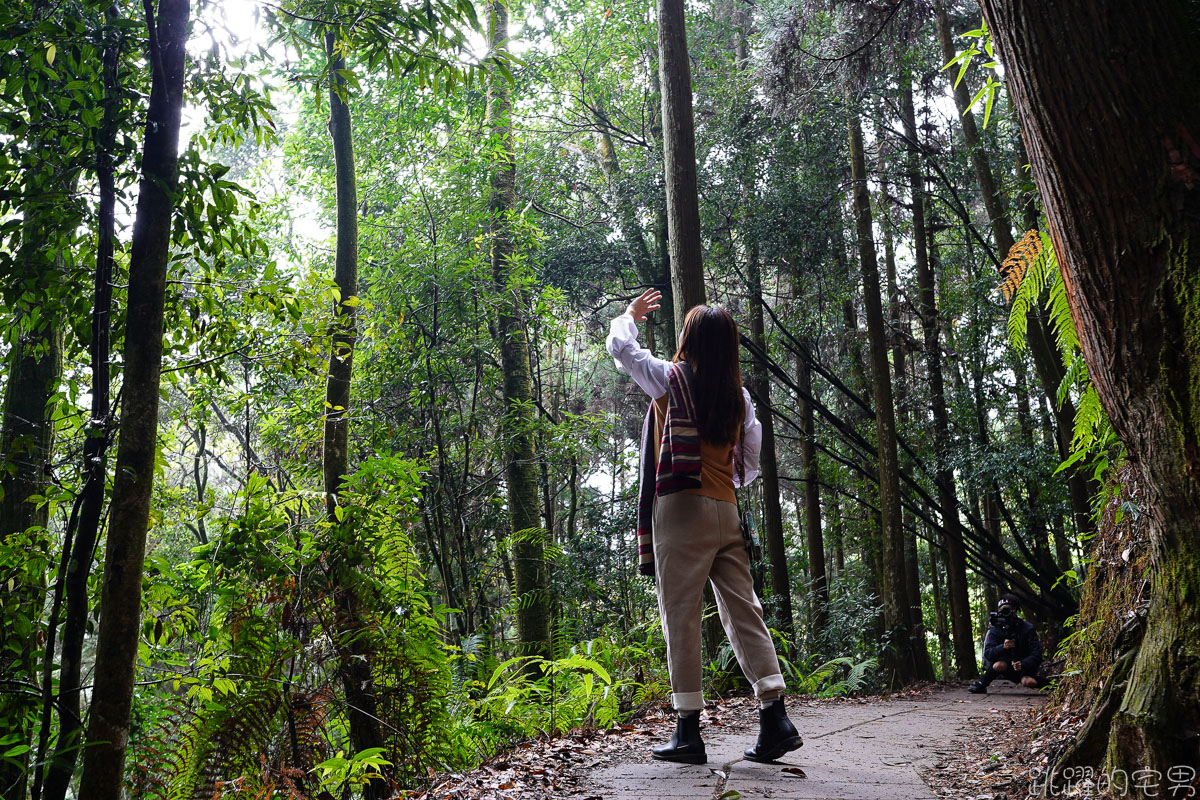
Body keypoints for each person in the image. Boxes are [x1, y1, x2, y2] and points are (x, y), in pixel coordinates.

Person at [605, 288, 803, 765]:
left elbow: (621, 349)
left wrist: (629, 316)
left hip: (681, 508)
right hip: (727, 509)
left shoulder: (671, 380)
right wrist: (721, 478)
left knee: (681, 615)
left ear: (689, 340)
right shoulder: (739, 398)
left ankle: (688, 731)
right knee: (745, 612)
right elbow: (750, 462)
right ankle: (775, 718)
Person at [967, 594, 1043, 694]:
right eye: (1003, 610)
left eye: (1009, 609)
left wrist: (1023, 663)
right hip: (1006, 668)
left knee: (1028, 682)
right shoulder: (996, 629)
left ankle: (1054, 686)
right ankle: (982, 684)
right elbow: (988, 653)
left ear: (1015, 610)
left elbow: (1037, 654)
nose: (1006, 613)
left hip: (1024, 667)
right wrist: (1002, 647)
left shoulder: (1027, 628)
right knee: (998, 665)